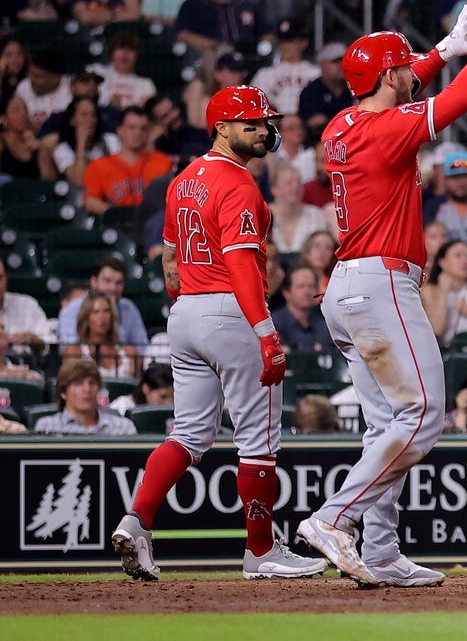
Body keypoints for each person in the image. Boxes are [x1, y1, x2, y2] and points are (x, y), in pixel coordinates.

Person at [294, 0, 467, 588]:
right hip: (380, 282)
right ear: (389, 77)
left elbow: (403, 76)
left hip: (347, 288)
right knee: (423, 417)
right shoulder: (388, 130)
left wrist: (443, 51)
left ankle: (383, 550)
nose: (409, 72)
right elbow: (461, 98)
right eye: (402, 68)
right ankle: (332, 518)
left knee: (385, 427)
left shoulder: (343, 123)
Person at [110, 84, 328, 583]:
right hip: (232, 311)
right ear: (222, 128)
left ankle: (137, 520)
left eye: (263, 122)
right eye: (249, 122)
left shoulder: (182, 179)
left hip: (186, 311)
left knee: (188, 434)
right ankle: (260, 551)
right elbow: (240, 265)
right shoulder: (239, 185)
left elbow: (169, 257)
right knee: (258, 442)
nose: (261, 129)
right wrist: (266, 333)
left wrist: (188, 310)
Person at [82, 105, 173, 216]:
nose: (137, 133)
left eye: (143, 128)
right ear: (120, 131)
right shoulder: (98, 166)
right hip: (116, 225)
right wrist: (117, 213)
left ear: (148, 132)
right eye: (132, 127)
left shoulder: (162, 161)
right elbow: (90, 202)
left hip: (152, 223)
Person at [58, 255, 148, 349]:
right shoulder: (70, 311)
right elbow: (69, 354)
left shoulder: (128, 308)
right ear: (94, 282)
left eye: (119, 283)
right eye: (107, 281)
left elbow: (142, 349)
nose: (113, 288)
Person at [36, 359, 138, 436]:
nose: (87, 389)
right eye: (78, 384)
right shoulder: (47, 427)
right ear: (63, 392)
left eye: (92, 383)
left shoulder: (123, 428)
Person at [420, 238, 467, 347]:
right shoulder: (429, 291)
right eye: (458, 256)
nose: (465, 261)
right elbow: (437, 330)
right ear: (442, 262)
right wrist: (443, 293)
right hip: (445, 352)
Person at [60, 291, 141, 378]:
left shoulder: (130, 353)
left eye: (106, 311)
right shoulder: (74, 352)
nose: (102, 317)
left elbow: (139, 388)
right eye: (96, 312)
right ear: (86, 318)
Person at [250, 20, 321, 116]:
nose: (284, 46)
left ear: (303, 43)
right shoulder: (264, 74)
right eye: (281, 41)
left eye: (290, 41)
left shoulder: (316, 73)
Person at [272, 265, 335, 354]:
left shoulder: (326, 323)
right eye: (301, 287)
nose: (307, 291)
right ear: (286, 293)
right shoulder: (273, 325)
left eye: (311, 286)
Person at [0, 259, 50, 356]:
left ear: (6, 279)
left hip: (23, 366)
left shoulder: (27, 305)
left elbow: (46, 347)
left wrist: (33, 340)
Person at [1, 95, 56, 181]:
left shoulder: (36, 142)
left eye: (25, 109)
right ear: (4, 118)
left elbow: (49, 184)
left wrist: (43, 152)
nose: (23, 114)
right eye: (16, 111)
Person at [109, 361, 174, 414]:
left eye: (174, 397)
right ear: (146, 389)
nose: (169, 402)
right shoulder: (123, 406)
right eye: (163, 396)